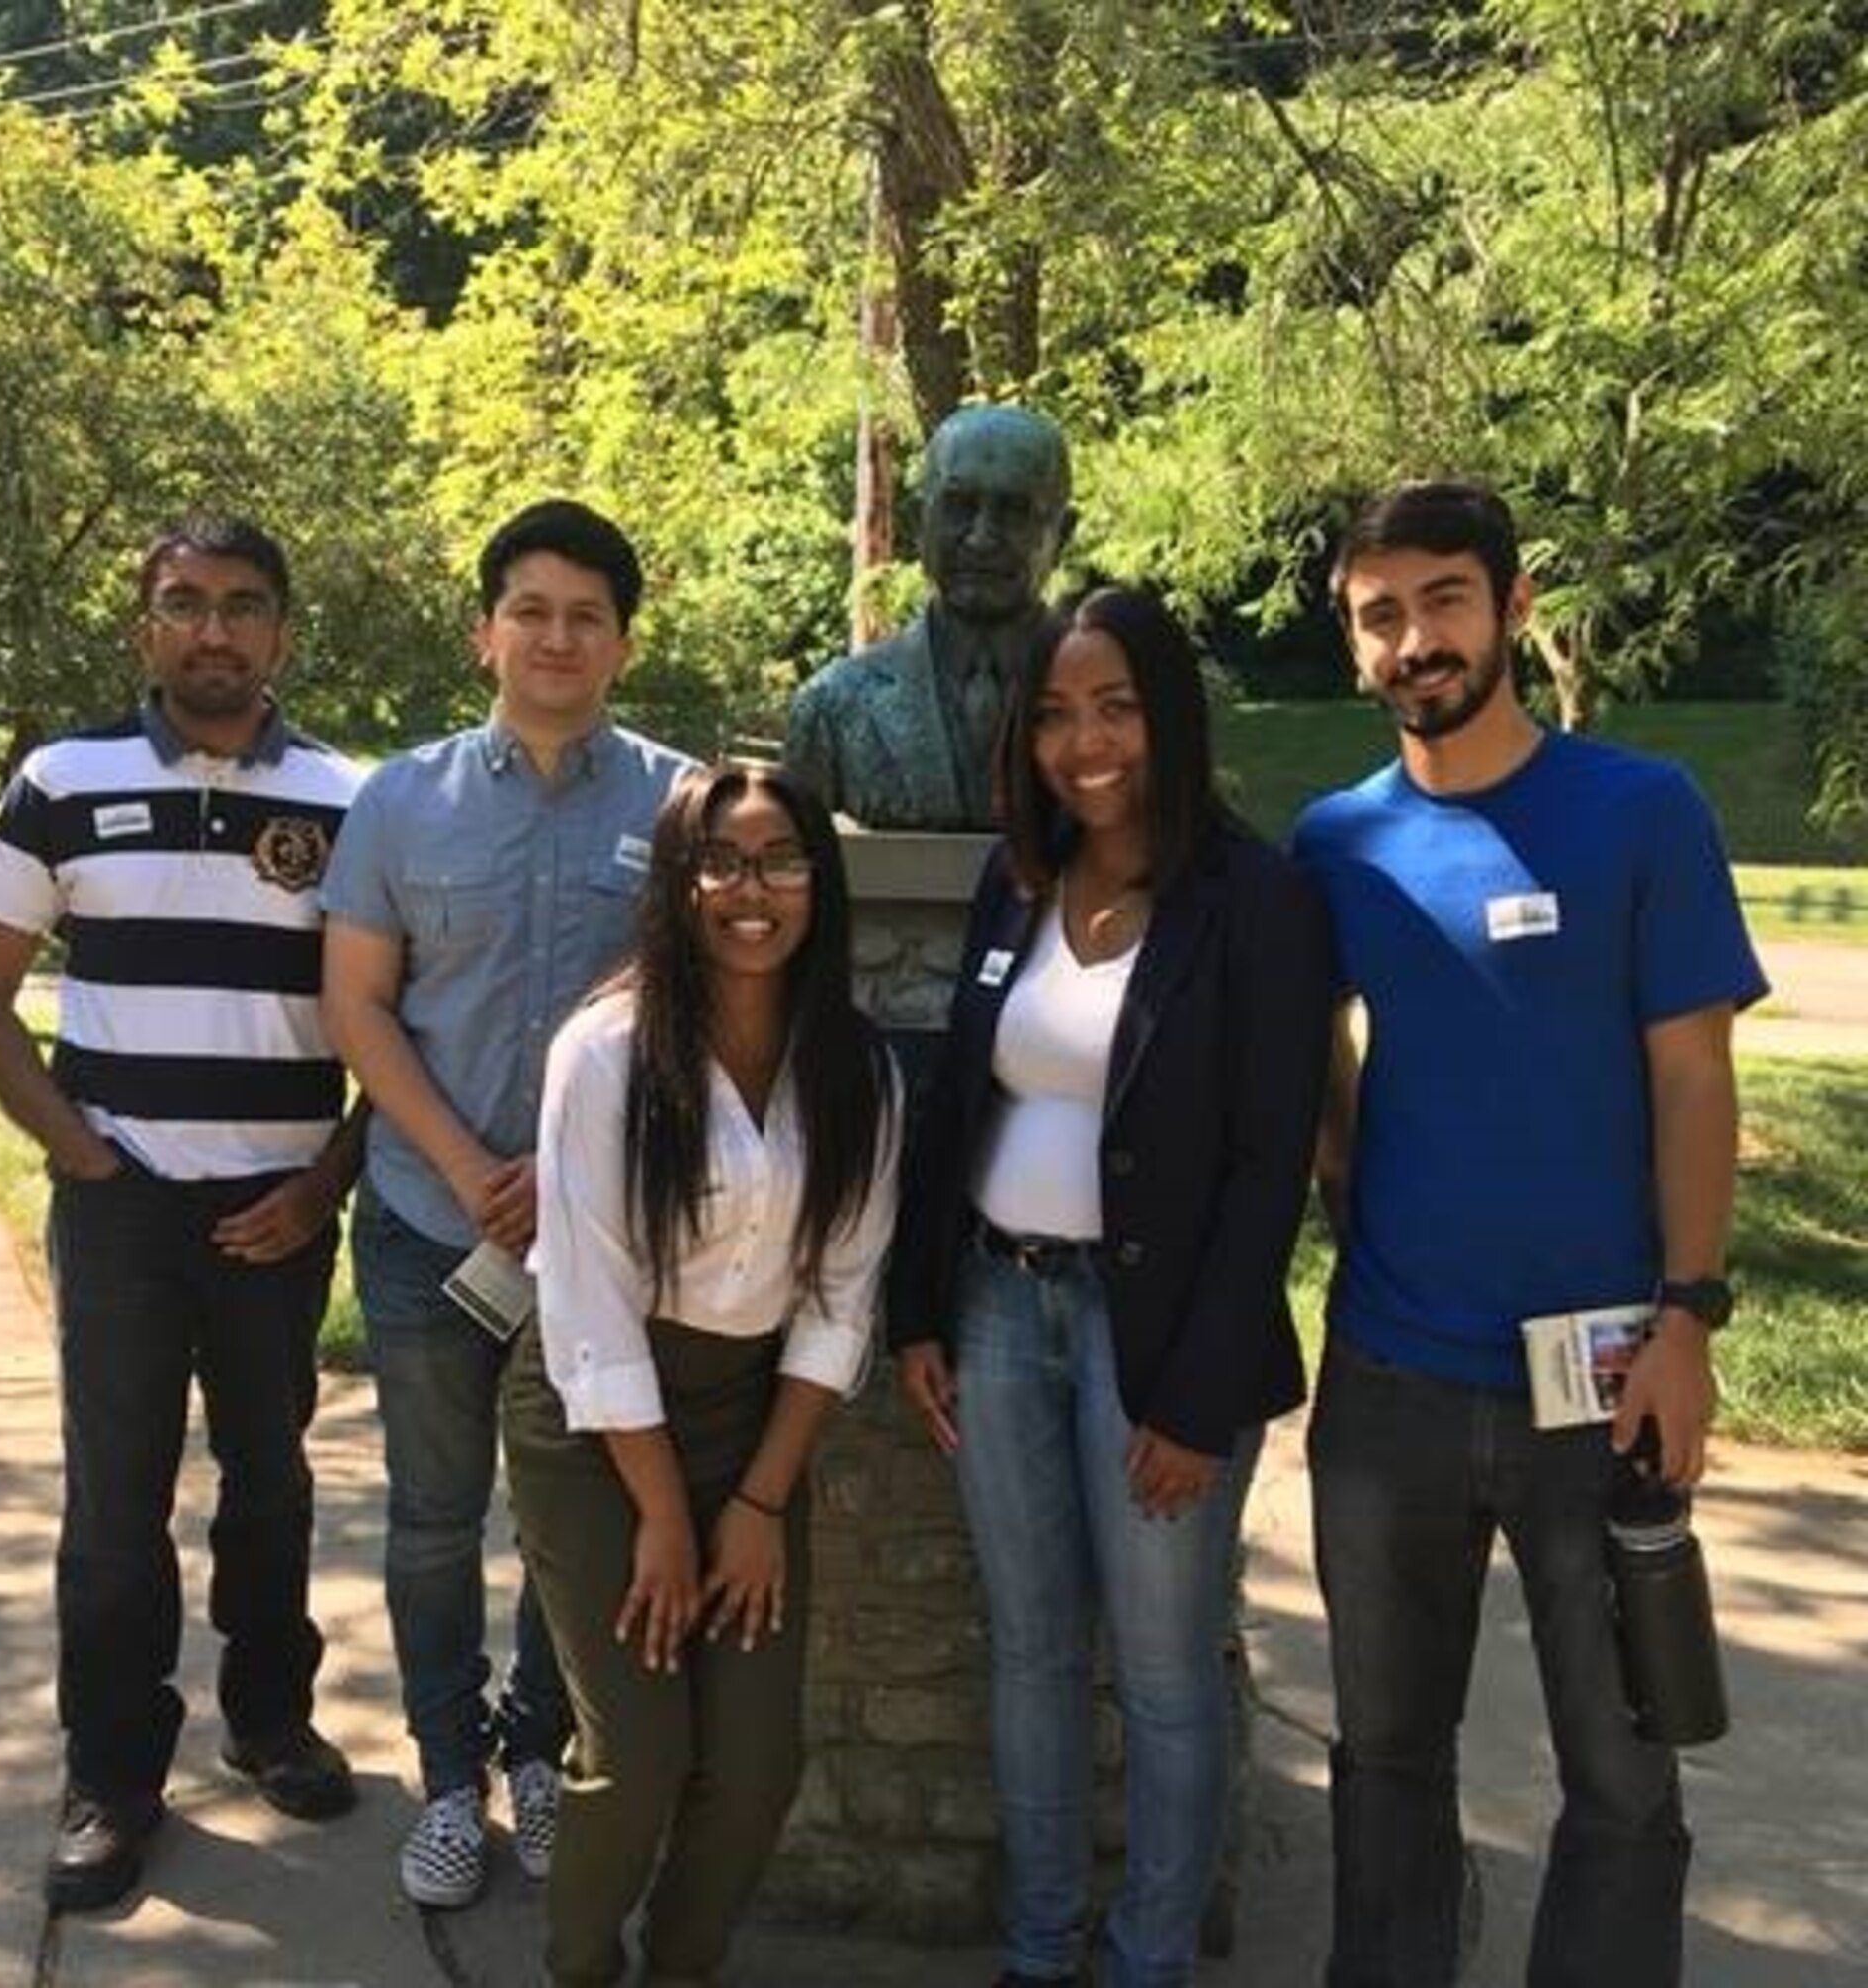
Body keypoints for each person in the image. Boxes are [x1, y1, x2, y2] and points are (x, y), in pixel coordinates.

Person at [1291, 479, 1768, 1988]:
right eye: (1382, 615)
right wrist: (1348, 1174)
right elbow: (1322, 1053)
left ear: (1510, 605)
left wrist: (1687, 1319)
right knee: (1384, 1766)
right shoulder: (1334, 844)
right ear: (1353, 639)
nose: (1415, 639)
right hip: (1387, 1388)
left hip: (1606, 1381)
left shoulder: (1641, 812)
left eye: (1443, 600)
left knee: (1625, 1781)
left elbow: (1695, 1077)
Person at [889, 588, 1333, 1988]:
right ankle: (1040, 1949)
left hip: (1161, 1342)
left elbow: (1271, 1166)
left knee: (1160, 1672)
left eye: (1117, 706)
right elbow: (963, 1096)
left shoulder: (1254, 900)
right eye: (1056, 713)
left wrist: (1197, 1402)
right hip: (1000, 1312)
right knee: (1027, 1655)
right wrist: (918, 1310)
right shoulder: (1016, 880)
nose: (1086, 742)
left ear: (1170, 715)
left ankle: (1147, 1961)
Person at [0, 516, 364, 1912]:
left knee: (273, 1482)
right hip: (120, 1210)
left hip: (279, 1217)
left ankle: (270, 1719)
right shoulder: (62, 781)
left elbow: (393, 1022)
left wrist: (321, 1186)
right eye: (184, 604)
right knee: (114, 1507)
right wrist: (75, 1154)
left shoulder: (350, 801)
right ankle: (112, 1775)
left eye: (244, 607)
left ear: (283, 635)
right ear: (145, 628)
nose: (214, 632)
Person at [320, 500, 692, 1907]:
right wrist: (474, 1170)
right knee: (430, 1516)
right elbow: (358, 1004)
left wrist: (567, 1169)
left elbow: (700, 999)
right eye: (529, 610)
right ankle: (442, 1779)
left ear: (620, 643)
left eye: (585, 617)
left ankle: (540, 1755)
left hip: (595, 1242)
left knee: (572, 1515)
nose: (555, 637)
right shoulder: (399, 802)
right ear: (486, 629)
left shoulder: (677, 802)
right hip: (428, 1221)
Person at [501, 762, 901, 1987]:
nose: (750, 888)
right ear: (675, 885)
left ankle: (682, 1965)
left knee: (755, 1759)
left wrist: (759, 1502)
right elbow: (587, 1303)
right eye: (717, 861)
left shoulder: (858, 1069)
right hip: (591, 1423)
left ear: (817, 887)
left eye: (780, 858)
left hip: (752, 1418)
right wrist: (666, 1514)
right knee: (635, 1748)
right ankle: (580, 1966)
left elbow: (841, 1298)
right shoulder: (607, 1051)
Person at [783, 404, 1074, 829]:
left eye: (1013, 510)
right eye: (959, 506)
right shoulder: (832, 708)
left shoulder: (1127, 714)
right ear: (923, 519)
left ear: (1062, 533)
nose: (981, 537)